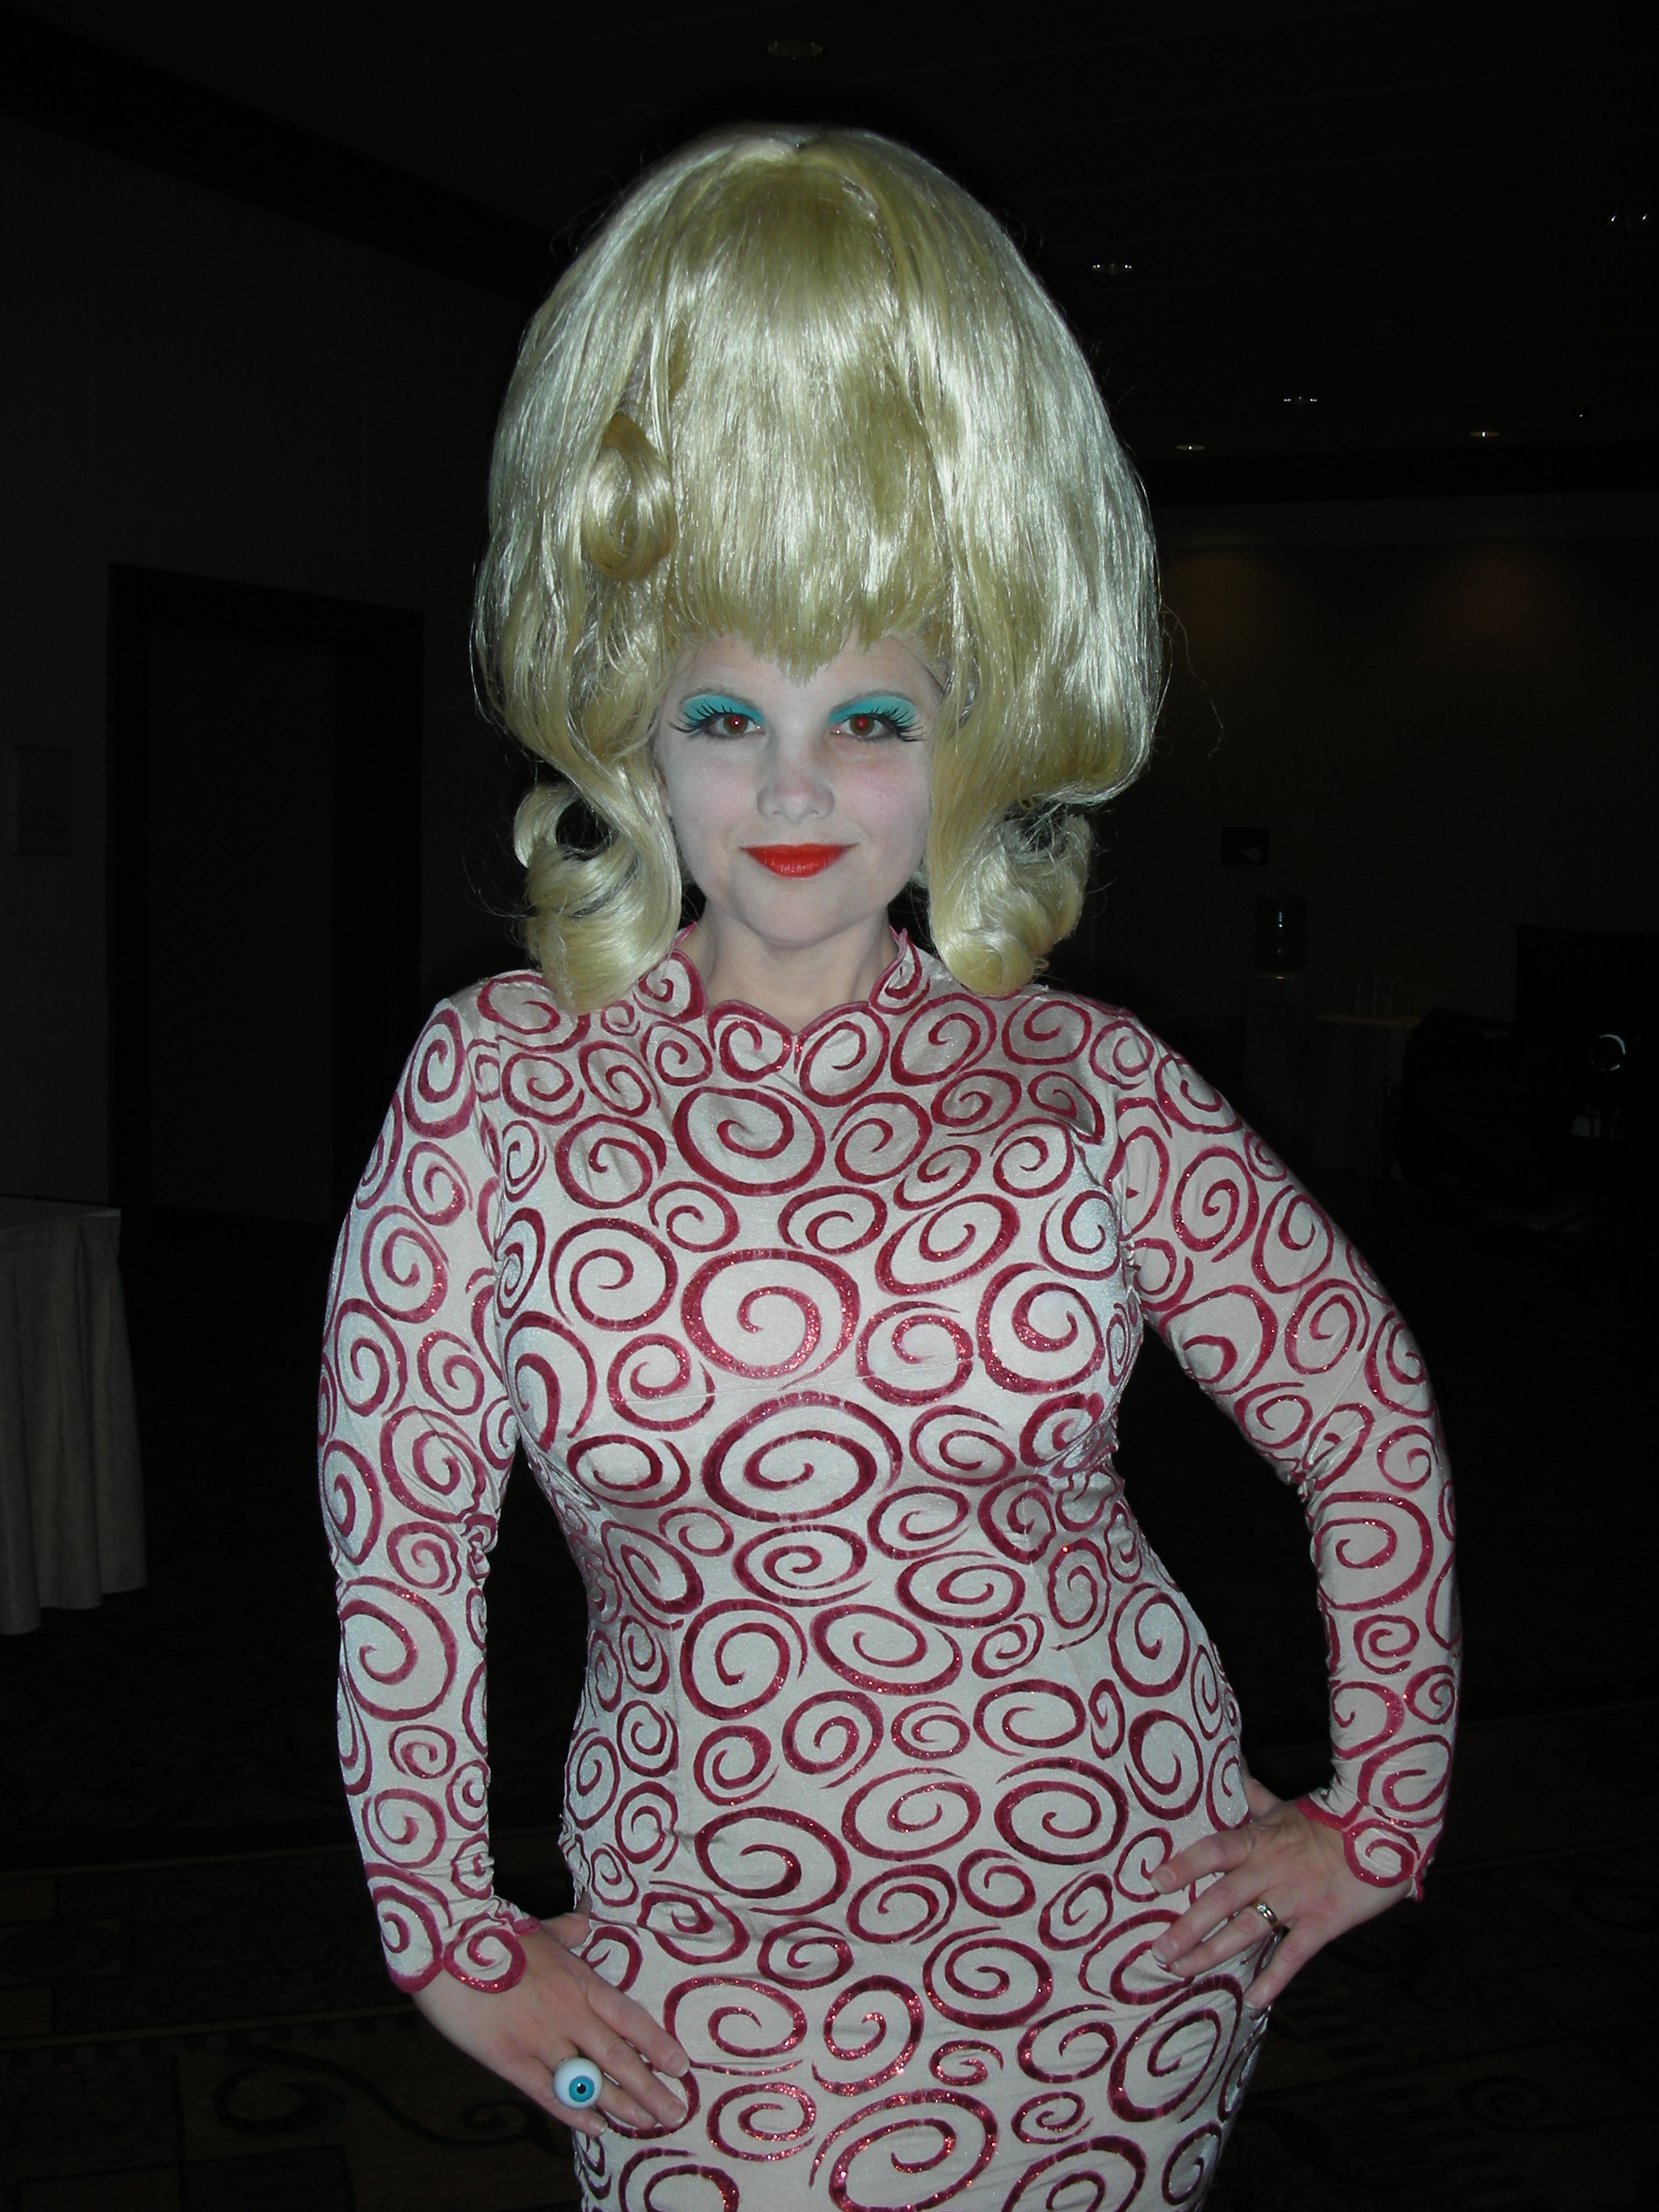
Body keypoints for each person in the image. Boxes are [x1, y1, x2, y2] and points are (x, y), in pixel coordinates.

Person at [320, 125, 1457, 2210]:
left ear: (975, 735)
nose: (792, 787)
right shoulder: (496, 1083)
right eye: (723, 714)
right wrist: (442, 1929)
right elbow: (400, 1542)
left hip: (1123, 1945)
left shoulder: (1089, 1081)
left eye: (869, 718)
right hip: (693, 1980)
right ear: (630, 726)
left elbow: (1363, 1411)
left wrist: (1381, 1810)